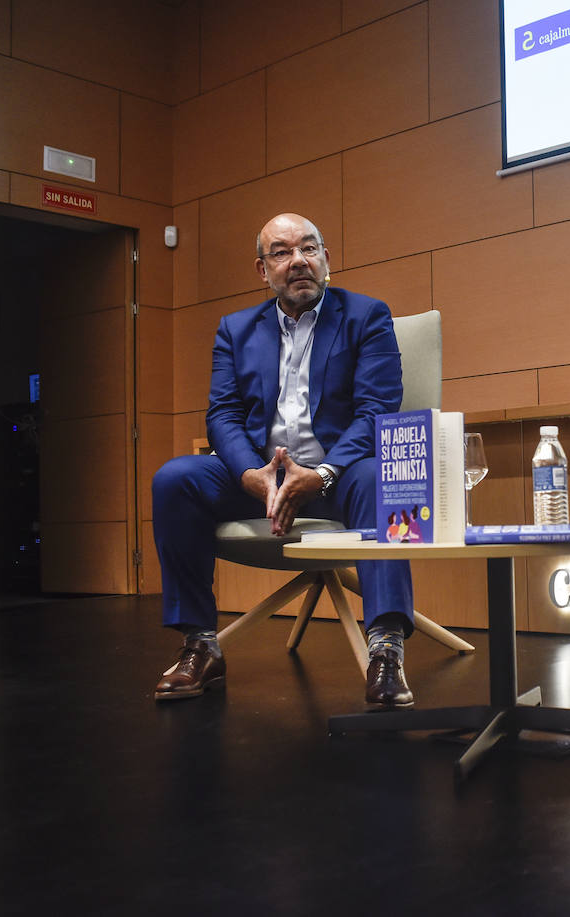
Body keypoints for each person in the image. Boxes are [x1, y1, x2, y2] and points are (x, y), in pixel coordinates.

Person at [151, 213, 417, 708]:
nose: (298, 260)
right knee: (176, 479)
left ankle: (386, 648)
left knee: (387, 479)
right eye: (282, 251)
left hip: (339, 474)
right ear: (262, 269)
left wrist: (319, 474)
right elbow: (223, 413)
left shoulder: (366, 317)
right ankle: (200, 645)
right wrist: (251, 475)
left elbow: (377, 410)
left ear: (326, 260)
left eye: (309, 248)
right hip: (258, 476)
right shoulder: (235, 329)